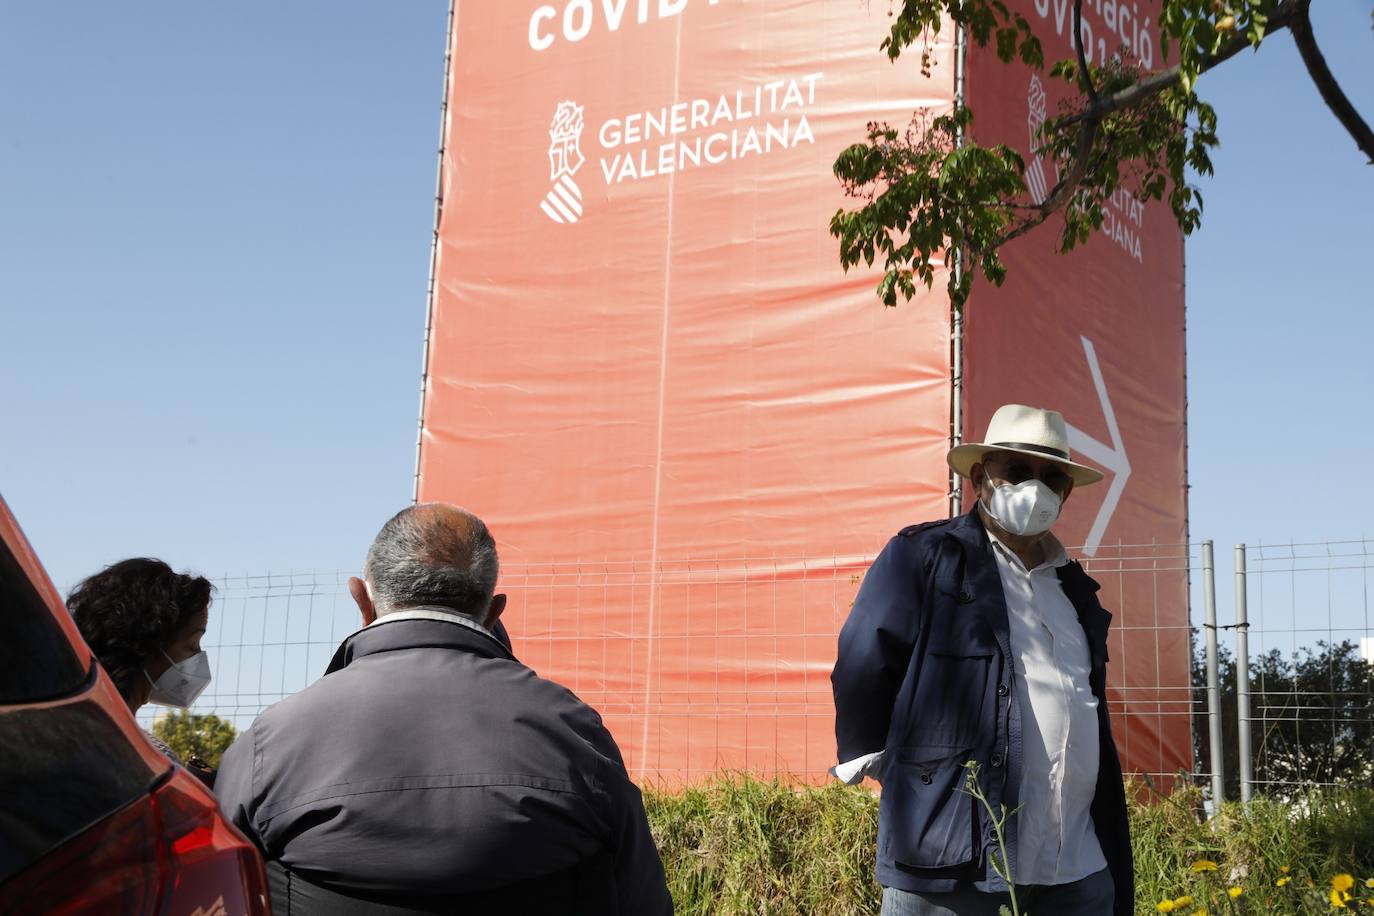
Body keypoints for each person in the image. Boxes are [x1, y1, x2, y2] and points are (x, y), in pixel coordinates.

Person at [216, 503, 673, 916]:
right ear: (494, 612)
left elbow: (214, 887)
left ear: (362, 599)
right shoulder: (573, 731)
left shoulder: (269, 744)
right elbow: (642, 899)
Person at [831, 404, 1133, 916]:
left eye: (1051, 476)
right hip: (955, 865)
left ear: (1065, 492)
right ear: (980, 477)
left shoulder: (1075, 590)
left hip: (1077, 866)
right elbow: (864, 659)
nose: (1036, 487)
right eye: (1018, 471)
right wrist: (893, 767)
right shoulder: (926, 558)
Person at [67, 558, 216, 775]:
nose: (198, 657)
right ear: (147, 642)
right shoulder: (145, 759)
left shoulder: (54, 731)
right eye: (191, 644)